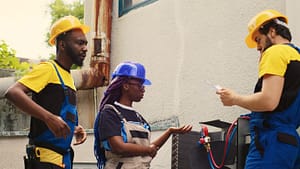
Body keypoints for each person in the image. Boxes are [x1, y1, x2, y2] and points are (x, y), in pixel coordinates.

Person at [216, 9, 300, 169]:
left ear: (272, 32)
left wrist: (234, 99)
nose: (257, 47)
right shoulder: (296, 56)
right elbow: (285, 101)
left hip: (271, 141)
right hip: (290, 143)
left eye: (258, 39)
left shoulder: (275, 52)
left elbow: (269, 101)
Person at [5, 15, 90, 169]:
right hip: (45, 160)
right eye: (79, 43)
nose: (85, 48)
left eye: (85, 43)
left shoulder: (68, 77)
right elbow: (13, 92)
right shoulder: (48, 69)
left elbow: (58, 110)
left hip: (62, 161)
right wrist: (48, 118)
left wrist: (74, 128)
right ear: (62, 45)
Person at [93, 61, 192, 169]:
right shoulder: (110, 113)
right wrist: (148, 150)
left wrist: (169, 132)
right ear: (125, 86)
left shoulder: (138, 118)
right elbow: (119, 147)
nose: (143, 88)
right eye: (139, 84)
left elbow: (148, 149)